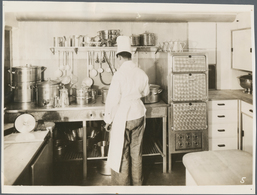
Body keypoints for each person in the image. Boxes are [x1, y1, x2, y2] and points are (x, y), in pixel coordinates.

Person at [104, 36, 149, 185]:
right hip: (139, 114)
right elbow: (146, 92)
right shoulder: (141, 73)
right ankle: (137, 185)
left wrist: (108, 119)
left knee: (122, 154)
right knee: (136, 153)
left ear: (119, 57)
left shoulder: (119, 75)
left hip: (124, 117)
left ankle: (123, 187)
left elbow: (112, 100)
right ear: (130, 56)